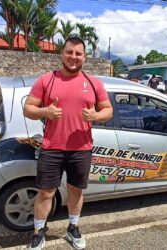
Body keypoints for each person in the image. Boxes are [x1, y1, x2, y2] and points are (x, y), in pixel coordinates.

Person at [23, 36, 113, 250]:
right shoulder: (47, 80)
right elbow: (28, 108)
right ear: (62, 54)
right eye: (69, 52)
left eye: (78, 53)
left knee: (75, 191)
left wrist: (95, 116)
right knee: (46, 193)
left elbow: (108, 110)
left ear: (84, 57)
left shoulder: (93, 83)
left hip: (81, 149)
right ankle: (38, 232)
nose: (73, 57)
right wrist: (46, 111)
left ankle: (73, 228)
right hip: (51, 147)